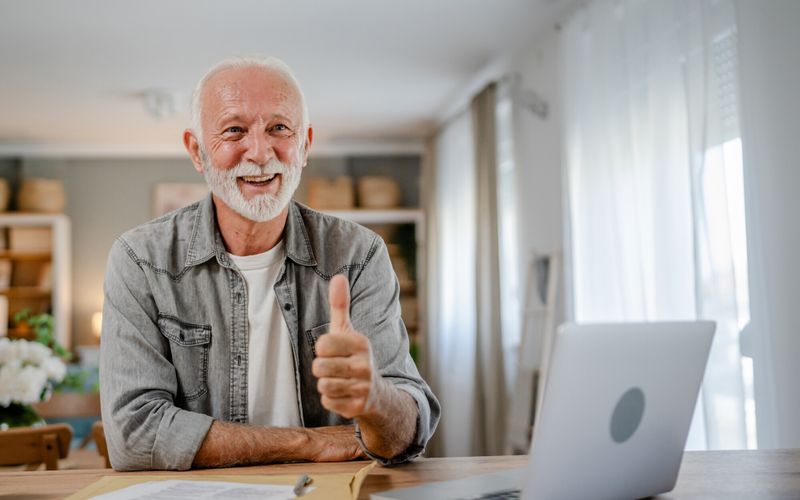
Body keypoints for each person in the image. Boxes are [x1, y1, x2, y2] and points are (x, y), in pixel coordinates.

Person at [99, 56, 440, 471]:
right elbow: (133, 437)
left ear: (305, 144)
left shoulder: (359, 254)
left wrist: (375, 398)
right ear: (197, 151)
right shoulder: (140, 260)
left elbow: (407, 434)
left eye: (279, 128)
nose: (259, 153)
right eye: (234, 130)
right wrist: (308, 442)